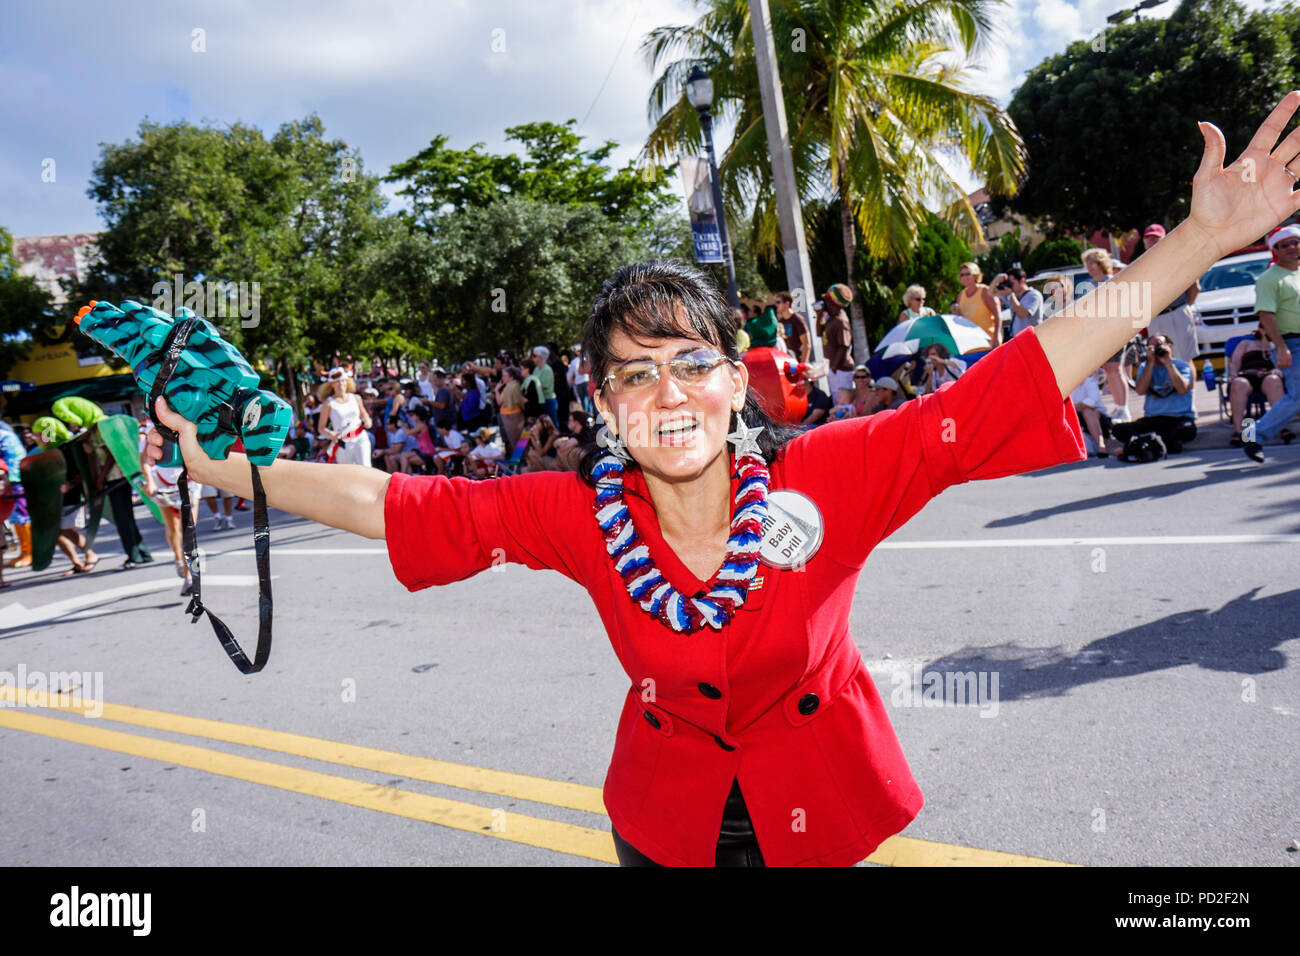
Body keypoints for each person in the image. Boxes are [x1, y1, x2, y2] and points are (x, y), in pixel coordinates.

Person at [143, 93, 1300, 866]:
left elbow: (1004, 385)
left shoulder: (833, 474)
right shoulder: (575, 515)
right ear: (601, 405)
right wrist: (227, 466)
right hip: (666, 827)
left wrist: (1198, 241)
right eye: (632, 374)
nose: (667, 392)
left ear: (737, 382)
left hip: (824, 813)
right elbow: (395, 502)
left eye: (692, 361)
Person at [1243, 223, 1300, 460]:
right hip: (1292, 344)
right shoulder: (1269, 278)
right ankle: (1253, 436)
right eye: (1284, 245)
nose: (1291, 247)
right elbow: (1266, 315)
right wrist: (1282, 347)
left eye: (1295, 242)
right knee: (1297, 399)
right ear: (1275, 250)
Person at [1110, 333, 1198, 454]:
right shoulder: (1145, 366)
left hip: (1178, 418)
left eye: (1159, 345)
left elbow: (1182, 390)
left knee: (1188, 430)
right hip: (1153, 419)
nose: (1156, 349)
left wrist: (1168, 363)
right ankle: (1162, 443)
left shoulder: (1181, 365)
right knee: (1118, 430)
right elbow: (1140, 390)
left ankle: (1147, 441)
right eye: (1151, 346)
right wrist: (1150, 363)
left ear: (1170, 346)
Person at [1080, 249, 1132, 420]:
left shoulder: (1112, 282)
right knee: (1111, 371)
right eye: (1087, 263)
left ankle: (1123, 408)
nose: (1089, 267)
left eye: (1092, 262)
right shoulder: (1092, 285)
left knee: (1115, 370)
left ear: (1101, 263)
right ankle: (1120, 407)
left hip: (1114, 332)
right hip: (1101, 334)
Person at [1142, 224, 1201, 367]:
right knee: (1159, 361)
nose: (1152, 242)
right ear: (1144, 243)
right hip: (1155, 318)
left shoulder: (1178, 258)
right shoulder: (1142, 264)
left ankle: (1188, 389)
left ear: (1165, 239)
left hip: (1177, 313)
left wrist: (1184, 307)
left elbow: (1195, 286)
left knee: (1184, 360)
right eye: (1148, 239)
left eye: (1156, 238)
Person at [1226, 328, 1285, 445]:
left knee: (1274, 381)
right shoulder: (1246, 344)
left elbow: (1284, 364)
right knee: (1239, 384)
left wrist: (1279, 370)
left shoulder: (1278, 346)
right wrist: (1233, 376)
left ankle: (1283, 427)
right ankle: (1238, 431)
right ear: (1262, 330)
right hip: (1246, 375)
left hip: (1268, 376)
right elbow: (1235, 363)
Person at [318, 367, 373, 466]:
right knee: (348, 473)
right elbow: (321, 428)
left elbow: (365, 416)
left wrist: (368, 421)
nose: (340, 384)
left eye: (343, 381)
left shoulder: (356, 398)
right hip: (343, 442)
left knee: (365, 467)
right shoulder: (328, 403)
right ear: (332, 385)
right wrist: (332, 434)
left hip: (360, 437)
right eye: (337, 382)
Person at [953, 262, 1001, 351]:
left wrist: (996, 336)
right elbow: (961, 319)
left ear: (975, 275)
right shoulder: (961, 295)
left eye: (968, 274)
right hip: (971, 344)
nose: (965, 277)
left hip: (988, 342)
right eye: (962, 275)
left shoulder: (985, 291)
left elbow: (998, 315)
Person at [817, 283, 856, 393]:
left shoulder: (841, 321)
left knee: (841, 401)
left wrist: (834, 367)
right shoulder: (831, 317)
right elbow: (819, 333)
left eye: (826, 300)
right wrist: (819, 316)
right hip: (834, 369)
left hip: (841, 370)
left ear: (832, 303)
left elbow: (844, 346)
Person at [994, 267, 1043, 339]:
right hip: (1018, 339)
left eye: (1012, 283)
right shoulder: (1014, 297)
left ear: (1022, 281)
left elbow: (1022, 314)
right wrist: (996, 280)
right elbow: (991, 294)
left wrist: (1011, 295)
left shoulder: (1034, 295)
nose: (1010, 287)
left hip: (1032, 338)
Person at [775, 292, 812, 364]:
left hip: (798, 362)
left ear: (787, 304)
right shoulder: (781, 321)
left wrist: (802, 365)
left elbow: (807, 344)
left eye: (778, 302)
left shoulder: (797, 319)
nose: (776, 305)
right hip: (787, 362)